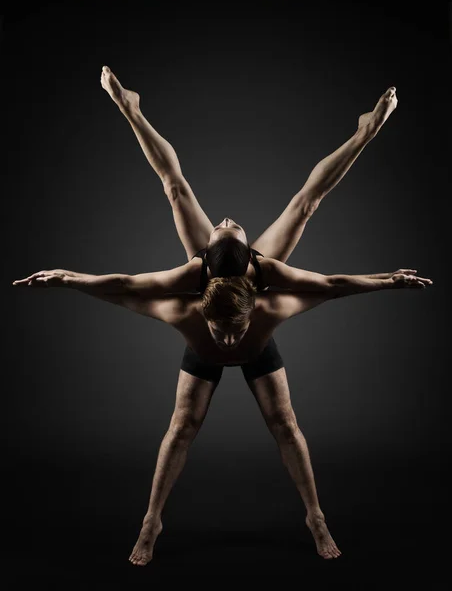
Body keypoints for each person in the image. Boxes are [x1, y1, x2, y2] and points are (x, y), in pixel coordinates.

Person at [14, 71, 430, 566]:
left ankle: (315, 516)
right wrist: (67, 278)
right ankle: (151, 521)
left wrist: (388, 280)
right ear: (205, 291)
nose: (228, 341)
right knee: (181, 426)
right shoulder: (185, 288)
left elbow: (335, 285)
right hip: (210, 286)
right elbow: (122, 286)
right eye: (219, 329)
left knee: (285, 421)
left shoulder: (271, 286)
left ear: (254, 299)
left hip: (254, 316)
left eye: (233, 328)